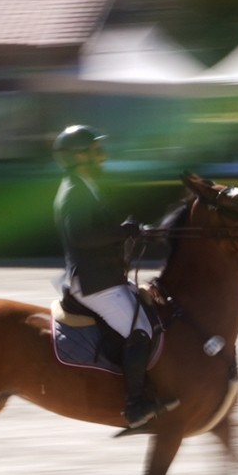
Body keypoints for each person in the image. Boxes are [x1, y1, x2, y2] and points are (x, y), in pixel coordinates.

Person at [51, 125, 175, 428]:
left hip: (105, 277)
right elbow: (81, 236)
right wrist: (122, 231)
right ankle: (135, 406)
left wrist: (133, 232)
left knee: (151, 313)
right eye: (95, 149)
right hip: (95, 284)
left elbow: (97, 231)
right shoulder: (74, 191)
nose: (101, 154)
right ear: (80, 156)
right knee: (140, 331)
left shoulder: (85, 184)